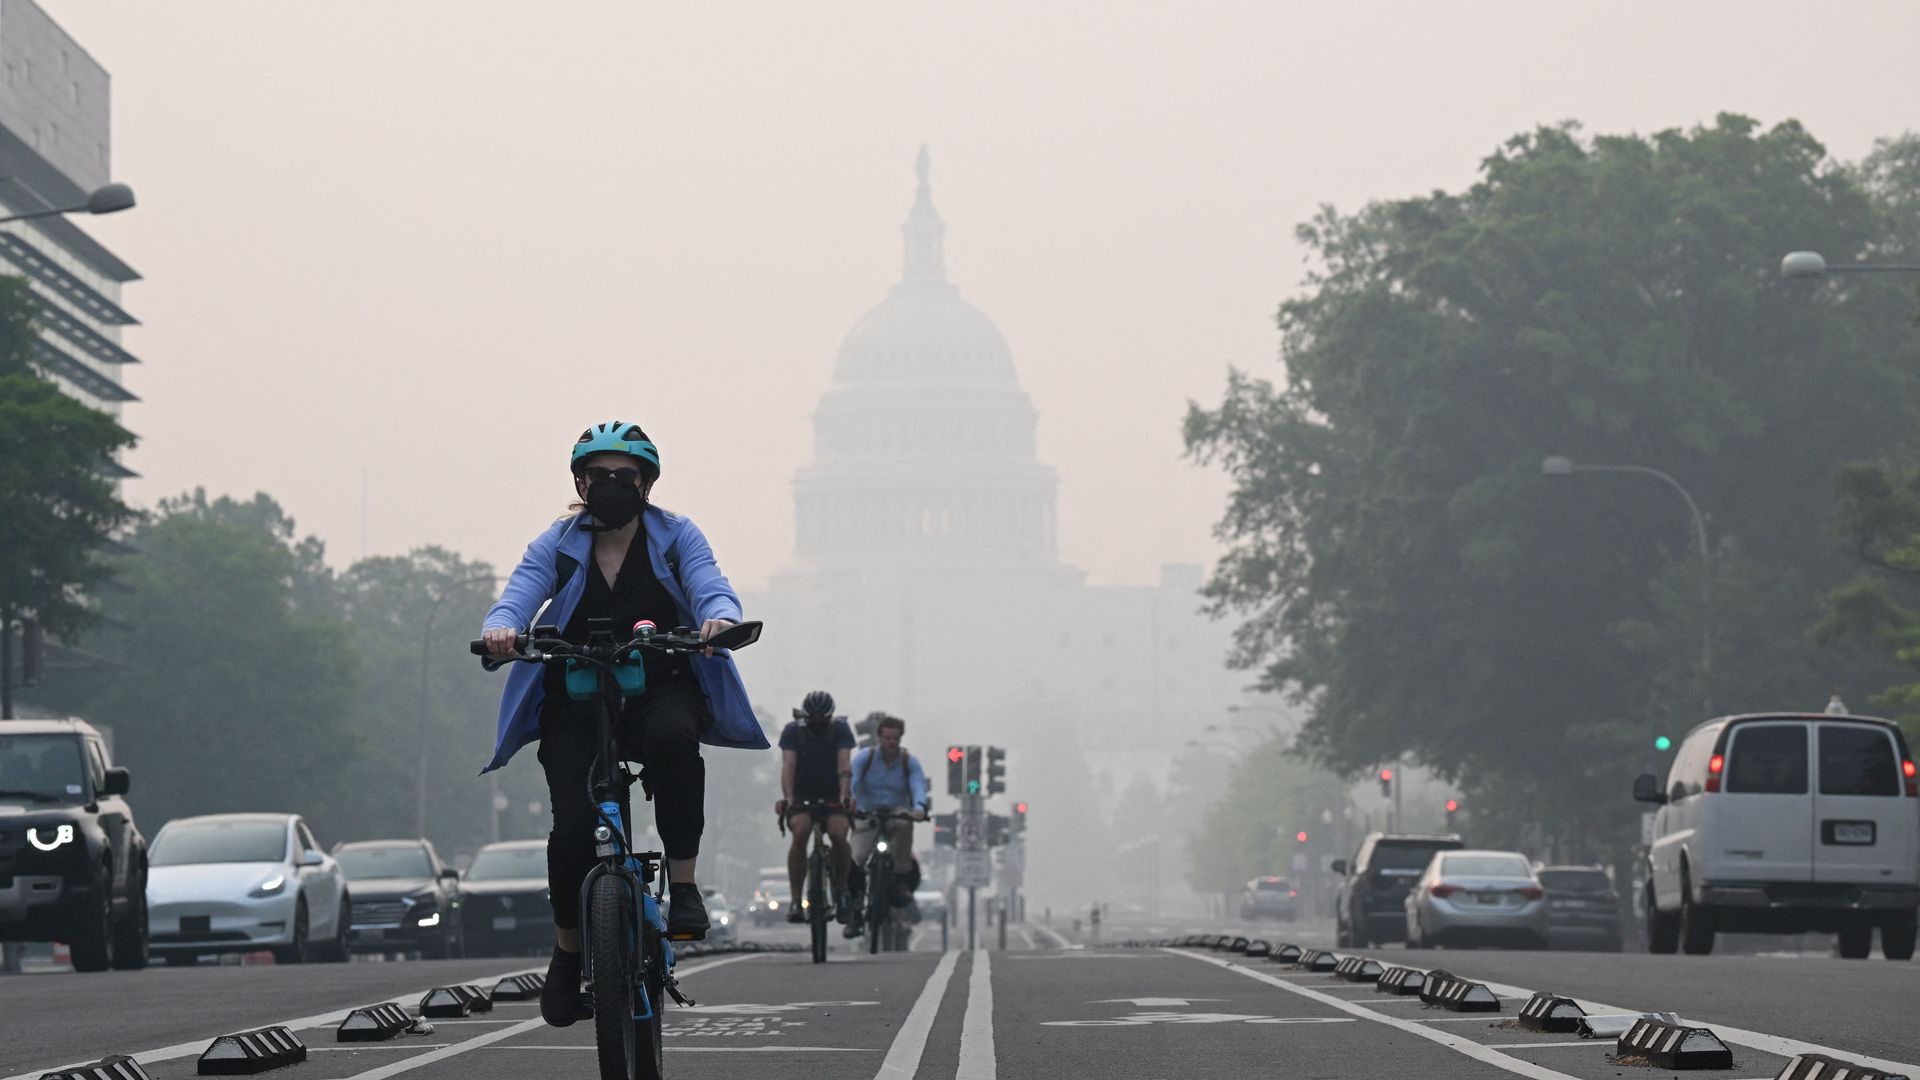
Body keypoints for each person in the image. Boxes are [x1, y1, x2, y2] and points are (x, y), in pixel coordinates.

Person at [480, 420, 767, 1028]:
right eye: (599, 475)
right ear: (580, 483)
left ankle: (684, 884)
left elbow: (710, 586)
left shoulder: (676, 536)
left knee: (673, 739)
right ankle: (567, 952)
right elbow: (519, 594)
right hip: (578, 700)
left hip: (660, 688)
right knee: (571, 830)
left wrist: (718, 620)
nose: (611, 485)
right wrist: (503, 629)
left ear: (647, 484)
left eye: (625, 476)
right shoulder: (555, 545)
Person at [845, 713, 929, 936]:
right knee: (856, 859)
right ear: (879, 737)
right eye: (887, 738)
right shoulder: (865, 758)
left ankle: (900, 879)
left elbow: (918, 785)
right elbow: (851, 781)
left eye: (895, 739)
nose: (891, 743)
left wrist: (919, 808)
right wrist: (851, 800)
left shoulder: (908, 762)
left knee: (905, 824)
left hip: (895, 814)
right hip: (866, 813)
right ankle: (855, 909)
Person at [776, 691, 856, 924]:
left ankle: (841, 890)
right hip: (802, 795)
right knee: (800, 832)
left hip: (833, 795)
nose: (818, 724)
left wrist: (843, 795)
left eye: (823, 720)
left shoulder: (840, 729)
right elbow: (788, 766)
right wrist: (789, 798)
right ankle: (795, 899)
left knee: (838, 834)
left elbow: (844, 764)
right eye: (814, 720)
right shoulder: (794, 731)